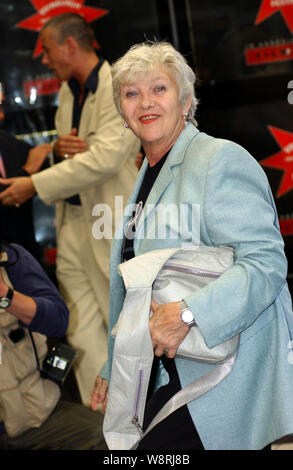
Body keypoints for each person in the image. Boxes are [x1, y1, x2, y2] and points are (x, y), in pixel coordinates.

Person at [90, 41, 293, 450]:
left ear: (185, 102)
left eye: (159, 89)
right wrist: (114, 366)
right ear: (123, 113)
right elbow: (135, 283)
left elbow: (265, 262)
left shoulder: (218, 159)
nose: (145, 103)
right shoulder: (147, 174)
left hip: (227, 375)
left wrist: (186, 314)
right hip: (174, 373)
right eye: (132, 94)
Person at [0, 13, 140, 406]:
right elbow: (76, 153)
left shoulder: (119, 86)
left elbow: (107, 159)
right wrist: (59, 149)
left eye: (47, 50)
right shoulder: (67, 92)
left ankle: (137, 420)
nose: (43, 60)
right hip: (73, 223)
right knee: (79, 330)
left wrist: (33, 184)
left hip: (108, 223)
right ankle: (103, 423)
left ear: (70, 46)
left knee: (121, 324)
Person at [0, 240, 106, 450]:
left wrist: (6, 296)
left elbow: (59, 321)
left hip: (37, 416)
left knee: (107, 436)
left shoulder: (11, 260)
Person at [0, 84, 52, 260]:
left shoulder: (9, 143)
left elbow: (48, 169)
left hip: (24, 259)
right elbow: (5, 194)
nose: (2, 115)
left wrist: (60, 152)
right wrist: (27, 171)